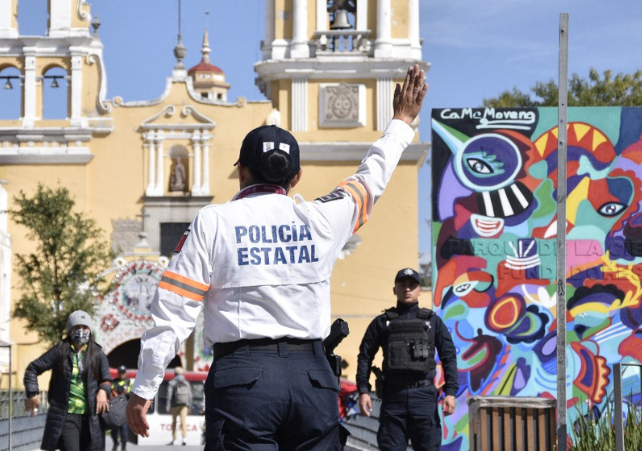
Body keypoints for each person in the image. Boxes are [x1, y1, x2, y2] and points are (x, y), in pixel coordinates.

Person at [127, 64, 430, 450]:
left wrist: (145, 387)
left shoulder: (213, 222)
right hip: (313, 380)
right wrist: (402, 122)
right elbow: (371, 178)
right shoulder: (322, 219)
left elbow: (174, 310)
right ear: (297, 176)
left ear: (241, 172)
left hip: (243, 382)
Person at [356, 268, 459, 451]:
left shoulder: (433, 322)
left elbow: (449, 356)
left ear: (420, 290)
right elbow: (365, 356)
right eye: (402, 285)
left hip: (424, 397)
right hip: (393, 398)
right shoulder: (381, 322)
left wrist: (450, 392)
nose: (407, 289)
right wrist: (364, 391)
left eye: (412, 285)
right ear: (394, 290)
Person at [24, 311, 112, 451]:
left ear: (90, 330)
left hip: (92, 418)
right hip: (66, 417)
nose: (81, 331)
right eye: (77, 328)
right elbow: (33, 369)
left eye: (85, 328)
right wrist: (33, 392)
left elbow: (107, 379)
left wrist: (103, 391)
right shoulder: (60, 351)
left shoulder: (97, 353)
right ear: (70, 331)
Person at [165, 367, 192, 446]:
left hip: (174, 405)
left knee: (174, 422)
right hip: (184, 405)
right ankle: (184, 439)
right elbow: (190, 396)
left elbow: (169, 395)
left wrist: (167, 406)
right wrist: (189, 406)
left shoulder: (172, 382)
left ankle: (174, 440)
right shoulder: (186, 383)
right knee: (183, 422)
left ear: (175, 374)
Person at [109, 366, 131, 451]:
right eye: (120, 373)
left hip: (124, 410)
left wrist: (127, 393)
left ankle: (124, 447)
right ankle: (115, 444)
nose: (121, 375)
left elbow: (132, 396)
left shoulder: (129, 382)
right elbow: (109, 394)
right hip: (115, 409)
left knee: (124, 430)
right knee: (114, 430)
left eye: (123, 373)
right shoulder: (113, 382)